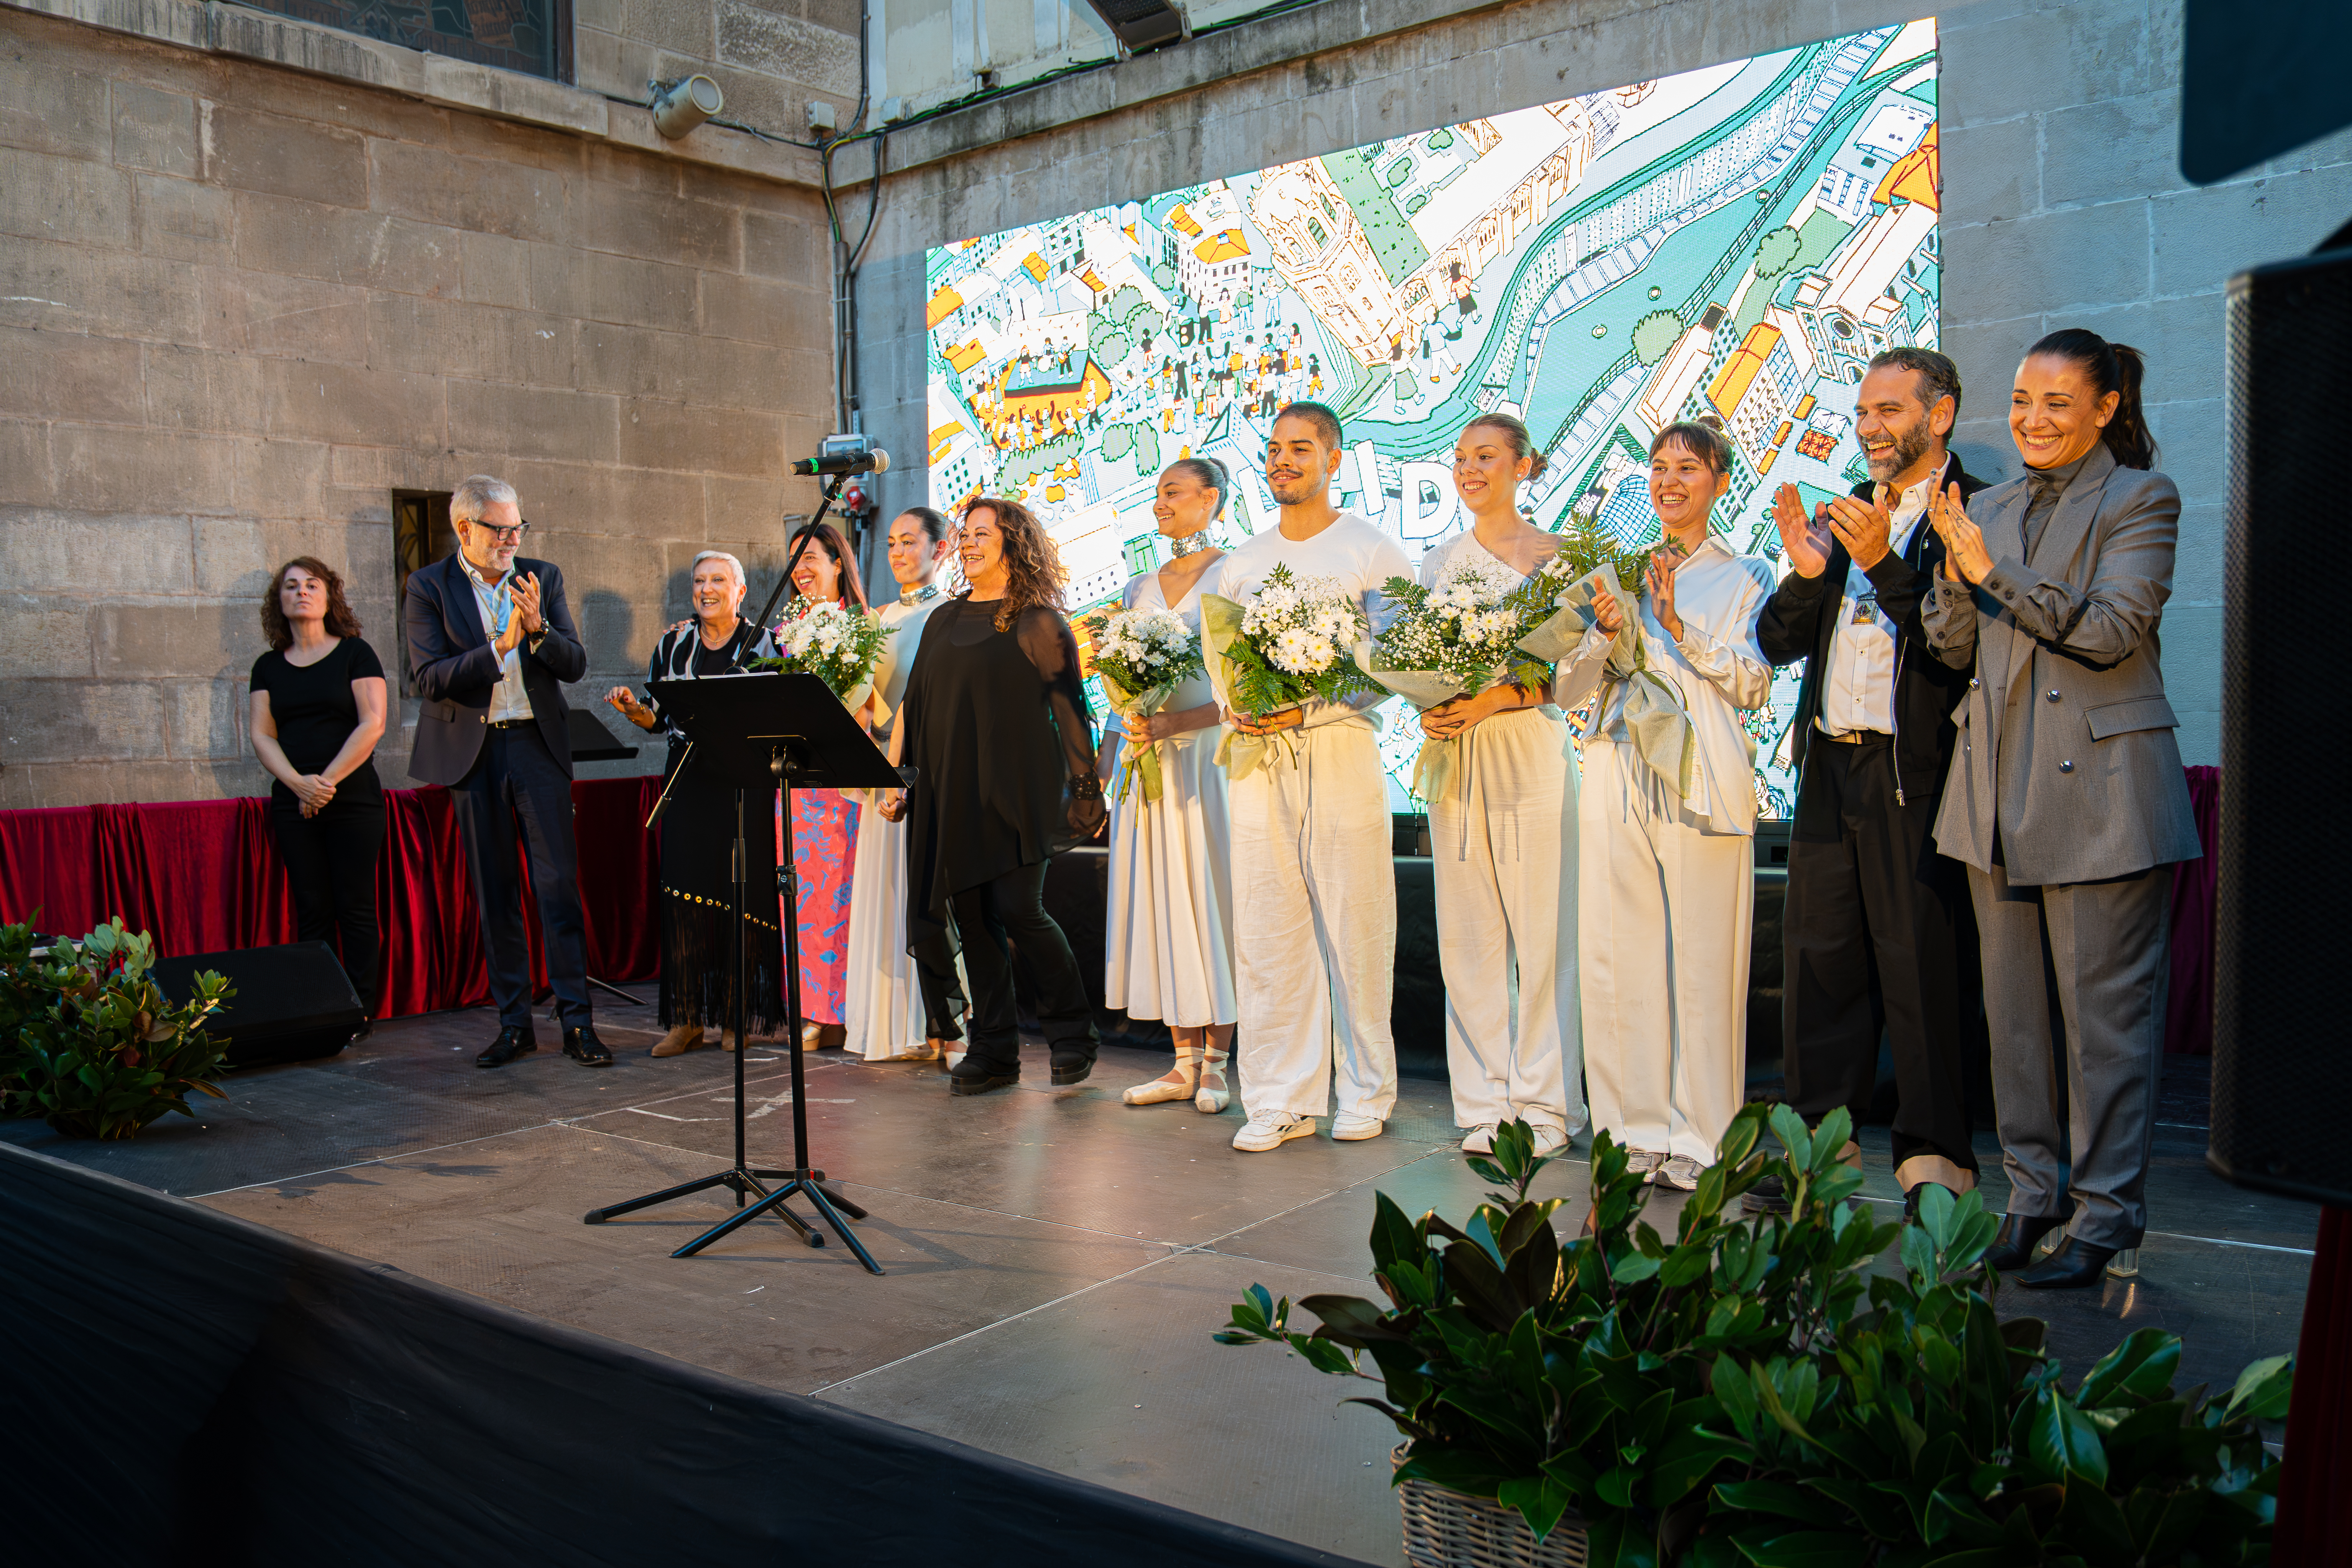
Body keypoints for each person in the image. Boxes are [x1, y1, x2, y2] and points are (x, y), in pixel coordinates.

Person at [1921, 329, 2199, 1289]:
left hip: (2102, 797)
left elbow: (2112, 630)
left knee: (2102, 1026)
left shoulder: (2139, 498)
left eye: (2054, 403)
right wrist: (1949, 577)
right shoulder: (1984, 505)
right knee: (2015, 1025)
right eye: (2020, 401)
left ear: (2104, 407)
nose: (2031, 420)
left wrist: (1987, 567)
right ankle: (2030, 1194)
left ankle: (2107, 1213)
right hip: (1994, 792)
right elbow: (1952, 648)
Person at [1752, 348, 1994, 1222]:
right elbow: (1776, 642)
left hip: (1915, 772)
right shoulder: (1851, 514)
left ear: (1940, 415)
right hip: (1831, 765)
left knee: (1919, 969)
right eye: (1861, 412)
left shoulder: (1969, 513)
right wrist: (1809, 571)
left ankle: (1934, 1160)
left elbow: (1948, 648)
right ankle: (1820, 1151)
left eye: (1887, 410)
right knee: (1818, 965)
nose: (1867, 427)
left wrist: (1884, 564)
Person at [1579, 417, 1775, 1190]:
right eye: (1657, 466)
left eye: (1686, 468)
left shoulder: (1748, 574)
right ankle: (1630, 1132)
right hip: (1614, 765)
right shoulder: (1616, 575)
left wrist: (1676, 628)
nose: (1667, 481)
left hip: (1698, 775)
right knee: (1618, 958)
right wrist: (1597, 636)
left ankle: (1701, 1139)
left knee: (1701, 965)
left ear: (1719, 481)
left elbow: (1753, 683)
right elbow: (1572, 684)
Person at [1212, 402, 1413, 1153]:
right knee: (1268, 929)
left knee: (1356, 924)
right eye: (1272, 449)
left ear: (1332, 456)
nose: (1282, 460)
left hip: (1337, 751)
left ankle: (1365, 1090)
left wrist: (1307, 707)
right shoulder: (1241, 562)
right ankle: (1278, 1097)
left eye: (1299, 448)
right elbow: (1223, 663)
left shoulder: (1370, 548)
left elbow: (1394, 662)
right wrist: (1243, 707)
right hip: (1259, 761)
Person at [879, 498, 1104, 1096]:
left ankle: (1074, 1035)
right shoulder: (944, 619)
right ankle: (994, 1048)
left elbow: (1071, 712)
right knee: (974, 921)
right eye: (966, 534)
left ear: (1014, 543)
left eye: (984, 533)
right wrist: (900, 780)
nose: (971, 543)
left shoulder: (1038, 621)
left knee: (1020, 909)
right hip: (949, 791)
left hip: (1017, 794)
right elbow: (915, 704)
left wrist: (1087, 791)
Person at [1415, 415, 1588, 1157]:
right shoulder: (1434, 564)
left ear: (1525, 466)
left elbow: (1575, 673)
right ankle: (1484, 1099)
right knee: (1468, 934)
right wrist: (1429, 702)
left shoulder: (1556, 557)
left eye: (1484, 456)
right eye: (1458, 459)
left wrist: (1494, 697)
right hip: (1457, 757)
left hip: (1526, 748)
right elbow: (1412, 654)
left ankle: (1545, 1106)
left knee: (1544, 932)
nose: (1468, 469)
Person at [403, 475, 609, 1068]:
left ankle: (577, 1022)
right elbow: (429, 677)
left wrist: (539, 629)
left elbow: (574, 664)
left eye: (519, 526)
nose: (513, 539)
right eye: (501, 529)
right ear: (465, 528)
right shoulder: (428, 586)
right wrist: (501, 646)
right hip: (475, 754)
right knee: (496, 894)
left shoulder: (540, 576)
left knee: (558, 888)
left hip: (535, 748)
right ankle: (514, 1023)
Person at [605, 552, 783, 1059]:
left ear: (741, 590)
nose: (707, 589)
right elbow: (656, 719)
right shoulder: (672, 643)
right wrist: (632, 709)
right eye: (700, 581)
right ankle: (685, 1019)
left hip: (742, 782)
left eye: (718, 580)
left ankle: (736, 1017)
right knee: (684, 898)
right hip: (687, 777)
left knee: (741, 900)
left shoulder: (765, 644)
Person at [1107, 459, 1239, 1114]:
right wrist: (1122, 743)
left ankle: (1217, 1061)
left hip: (1208, 759)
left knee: (1214, 898)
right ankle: (1181, 1060)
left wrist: (1174, 721)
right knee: (1162, 900)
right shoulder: (1137, 587)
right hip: (1150, 767)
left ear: (1209, 500)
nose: (1159, 503)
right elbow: (1120, 686)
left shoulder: (1232, 574)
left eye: (1172, 493)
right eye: (1157, 493)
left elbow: (1244, 692)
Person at [250, 557, 388, 1036]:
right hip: (294, 803)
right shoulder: (268, 666)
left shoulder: (355, 653)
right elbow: (263, 735)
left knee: (355, 906)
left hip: (353, 803)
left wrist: (323, 783)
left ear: (330, 597)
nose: (301, 592)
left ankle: (359, 1011)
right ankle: (320, 1009)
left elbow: (373, 723)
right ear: (279, 601)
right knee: (312, 908)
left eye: (312, 585)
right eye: (291, 586)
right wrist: (298, 784)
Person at [843, 508, 958, 1063]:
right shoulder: (877, 618)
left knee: (933, 899)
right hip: (882, 774)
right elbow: (865, 701)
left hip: (931, 768)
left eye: (910, 541)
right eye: (891, 542)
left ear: (942, 549)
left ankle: (948, 1025)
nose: (897, 552)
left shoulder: (954, 615)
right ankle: (902, 1026)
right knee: (889, 893)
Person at [780, 520, 866, 1053]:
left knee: (843, 895)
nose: (802, 569)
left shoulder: (863, 625)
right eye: (794, 561)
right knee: (803, 899)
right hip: (796, 784)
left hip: (844, 782)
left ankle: (848, 1009)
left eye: (811, 557)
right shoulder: (788, 630)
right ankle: (812, 1010)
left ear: (839, 563)